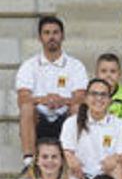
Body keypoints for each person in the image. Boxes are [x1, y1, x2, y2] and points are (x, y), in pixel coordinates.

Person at [17, 16, 87, 169]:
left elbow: (81, 97)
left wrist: (61, 101)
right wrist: (45, 99)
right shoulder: (28, 66)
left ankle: (73, 158)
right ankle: (29, 161)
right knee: (27, 108)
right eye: (47, 33)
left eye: (55, 32)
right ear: (40, 37)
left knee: (77, 108)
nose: (51, 37)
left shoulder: (76, 66)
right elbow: (22, 98)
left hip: (65, 117)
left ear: (63, 36)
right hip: (39, 119)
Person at [60, 78, 122, 179]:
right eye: (94, 94)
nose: (99, 98)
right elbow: (65, 152)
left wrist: (116, 158)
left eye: (103, 94)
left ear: (110, 100)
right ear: (86, 98)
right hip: (81, 176)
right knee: (68, 167)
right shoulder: (72, 122)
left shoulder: (120, 125)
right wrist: (71, 160)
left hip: (106, 178)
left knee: (118, 168)